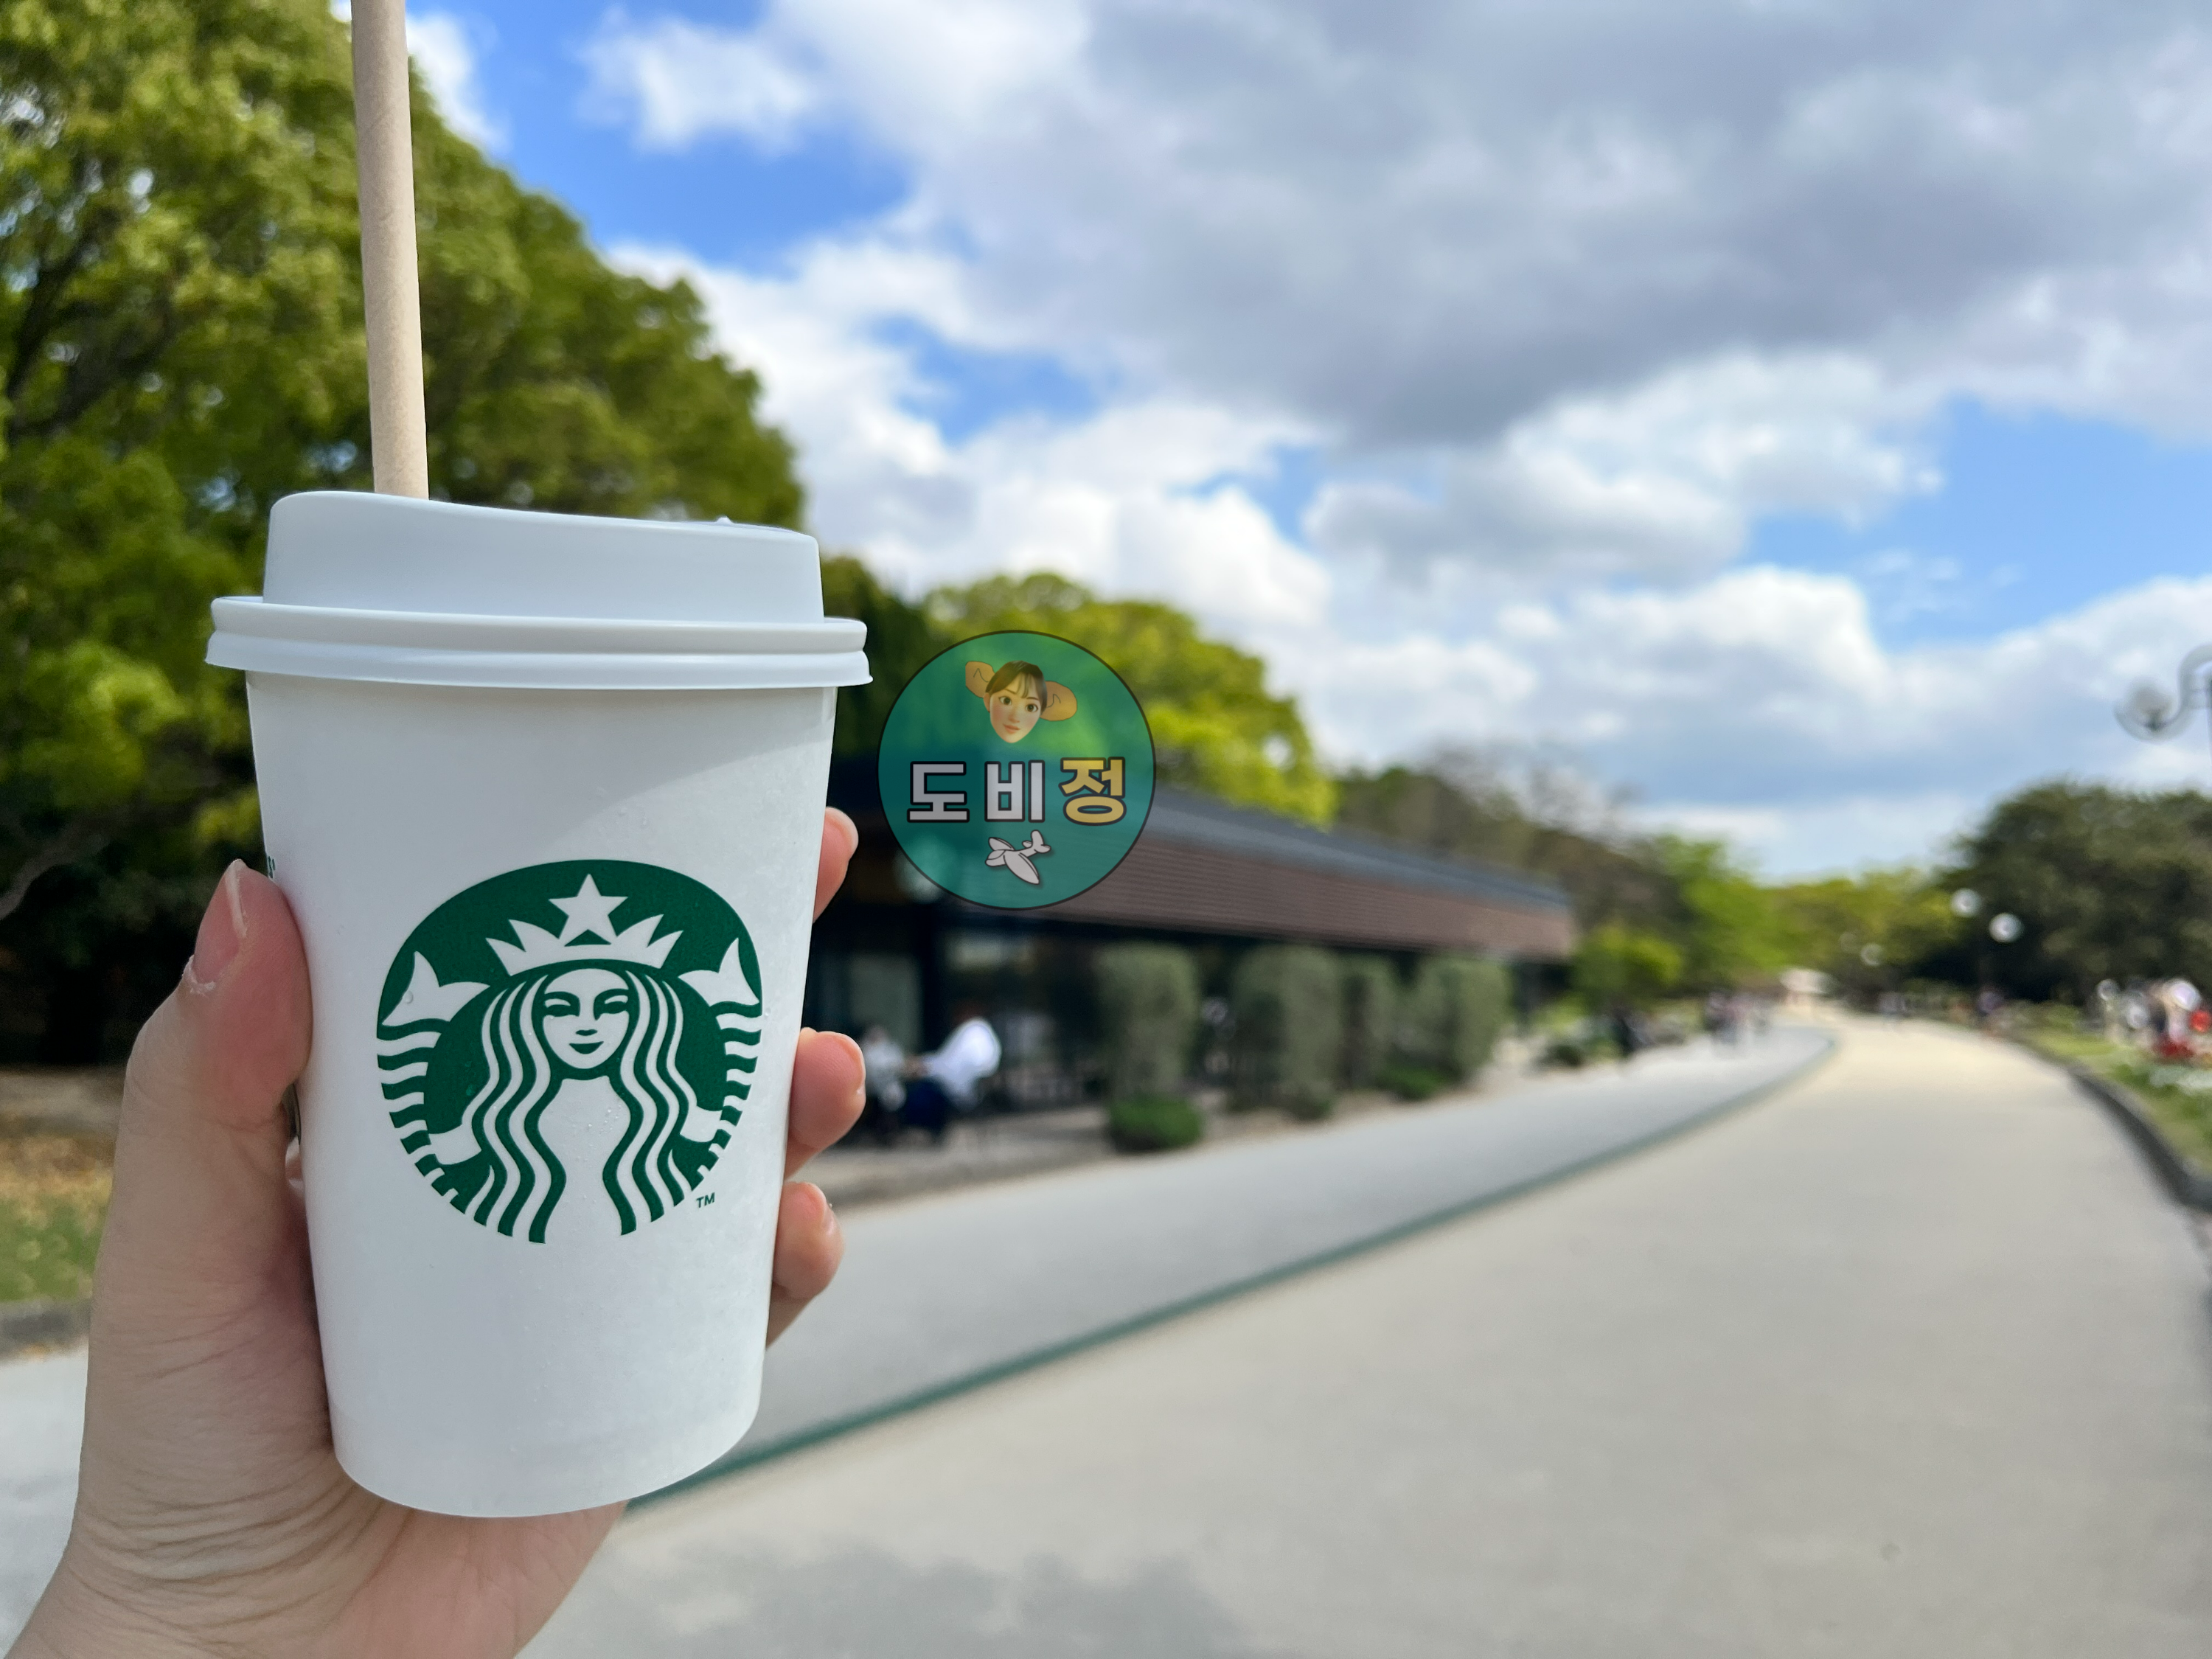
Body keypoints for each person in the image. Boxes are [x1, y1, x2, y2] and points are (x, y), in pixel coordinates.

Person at [10, 810, 867, 1659]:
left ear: (649, 1015)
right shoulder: (488, 1135)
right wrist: (186, 1623)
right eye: (560, 1004)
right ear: (521, 1018)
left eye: (611, 1003)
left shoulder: (664, 1124)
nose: (585, 1023)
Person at [900, 1003, 1002, 1143]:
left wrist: (925, 1066)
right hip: (970, 1086)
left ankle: (930, 1131)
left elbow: (951, 1065)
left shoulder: (972, 1033)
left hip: (963, 1089)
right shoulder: (979, 1033)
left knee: (921, 1093)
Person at [857, 1023, 908, 1144]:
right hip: (870, 1087)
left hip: (890, 1084)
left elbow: (898, 1065)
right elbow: (869, 1068)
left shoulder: (891, 1048)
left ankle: (892, 1133)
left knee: (894, 1098)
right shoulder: (864, 1049)